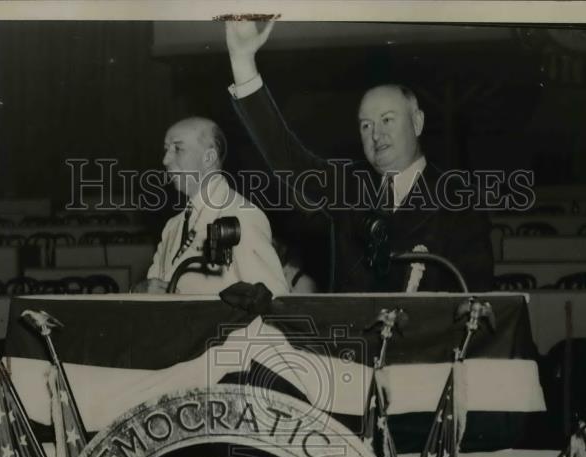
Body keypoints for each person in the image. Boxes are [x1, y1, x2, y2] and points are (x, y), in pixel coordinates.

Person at [225, 20, 494, 294]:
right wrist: (242, 61)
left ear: (417, 122)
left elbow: (475, 295)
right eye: (366, 126)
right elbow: (286, 156)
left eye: (387, 120)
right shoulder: (347, 184)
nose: (376, 134)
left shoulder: (461, 200)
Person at [139, 116, 289, 295]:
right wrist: (138, 290)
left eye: (177, 149)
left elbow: (272, 299)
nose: (165, 160)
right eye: (166, 150)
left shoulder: (242, 217)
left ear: (209, 158)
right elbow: (152, 292)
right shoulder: (172, 226)